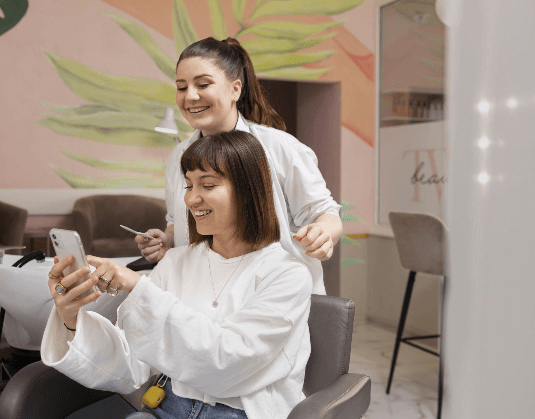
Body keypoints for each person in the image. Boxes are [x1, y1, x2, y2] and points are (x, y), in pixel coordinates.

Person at [42, 131, 313, 419]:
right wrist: (72, 320)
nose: (191, 199)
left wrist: (140, 290)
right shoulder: (176, 262)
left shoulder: (287, 274)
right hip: (166, 407)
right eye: (187, 185)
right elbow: (133, 363)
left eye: (207, 185)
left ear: (249, 190)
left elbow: (227, 363)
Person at [136, 37, 342, 295]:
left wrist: (322, 234)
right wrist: (167, 239)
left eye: (203, 84)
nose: (190, 96)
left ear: (236, 89)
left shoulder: (280, 147)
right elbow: (178, 220)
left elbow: (326, 214)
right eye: (181, 87)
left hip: (276, 295)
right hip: (204, 295)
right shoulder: (180, 155)